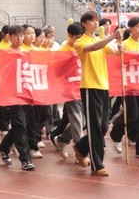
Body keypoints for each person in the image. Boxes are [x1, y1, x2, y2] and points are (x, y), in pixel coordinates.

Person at [72, 11, 122, 176]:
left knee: (103, 126)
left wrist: (121, 45)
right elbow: (93, 48)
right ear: (84, 23)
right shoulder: (80, 42)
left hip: (103, 86)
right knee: (94, 126)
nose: (96, 23)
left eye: (97, 21)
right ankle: (97, 164)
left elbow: (114, 52)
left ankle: (80, 147)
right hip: (89, 86)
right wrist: (112, 36)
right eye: (92, 21)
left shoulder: (100, 41)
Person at [109, 16, 139, 159]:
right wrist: (121, 53)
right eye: (137, 27)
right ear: (131, 29)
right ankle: (116, 134)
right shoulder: (125, 44)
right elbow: (118, 63)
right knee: (132, 114)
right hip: (129, 84)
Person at [0, 25, 36, 171]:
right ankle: (25, 159)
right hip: (11, 94)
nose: (19, 39)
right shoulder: (4, 53)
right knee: (20, 125)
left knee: (22, 124)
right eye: (16, 36)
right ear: (9, 37)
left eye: (21, 35)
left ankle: (3, 147)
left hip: (25, 93)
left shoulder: (27, 53)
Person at [48, 22, 85, 159]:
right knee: (76, 120)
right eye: (77, 37)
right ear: (69, 36)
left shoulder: (83, 47)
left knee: (84, 121)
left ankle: (62, 139)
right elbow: (56, 72)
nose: (79, 40)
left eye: (81, 37)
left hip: (85, 86)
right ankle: (80, 152)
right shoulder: (62, 52)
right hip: (70, 89)